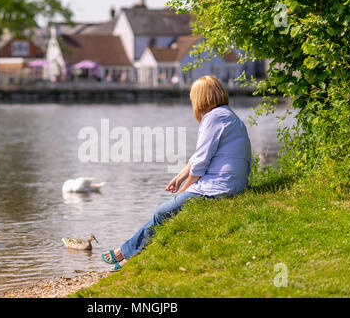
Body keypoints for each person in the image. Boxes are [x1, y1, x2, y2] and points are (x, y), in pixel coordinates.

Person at [102, 75, 252, 271]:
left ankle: (127, 254)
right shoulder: (227, 115)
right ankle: (128, 253)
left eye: (193, 98)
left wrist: (185, 190)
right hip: (231, 184)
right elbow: (201, 155)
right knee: (166, 211)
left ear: (201, 98)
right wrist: (180, 177)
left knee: (163, 211)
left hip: (218, 188)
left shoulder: (212, 118)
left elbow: (200, 163)